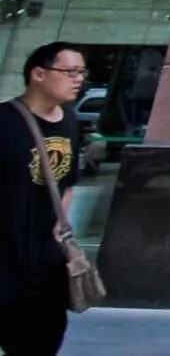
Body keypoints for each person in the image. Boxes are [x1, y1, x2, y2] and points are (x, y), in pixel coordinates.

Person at [0, 42, 86, 356]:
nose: (78, 79)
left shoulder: (71, 122)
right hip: (6, 259)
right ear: (39, 73)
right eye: (70, 71)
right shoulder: (5, 122)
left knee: (45, 339)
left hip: (46, 263)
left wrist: (59, 226)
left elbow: (68, 182)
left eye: (81, 72)